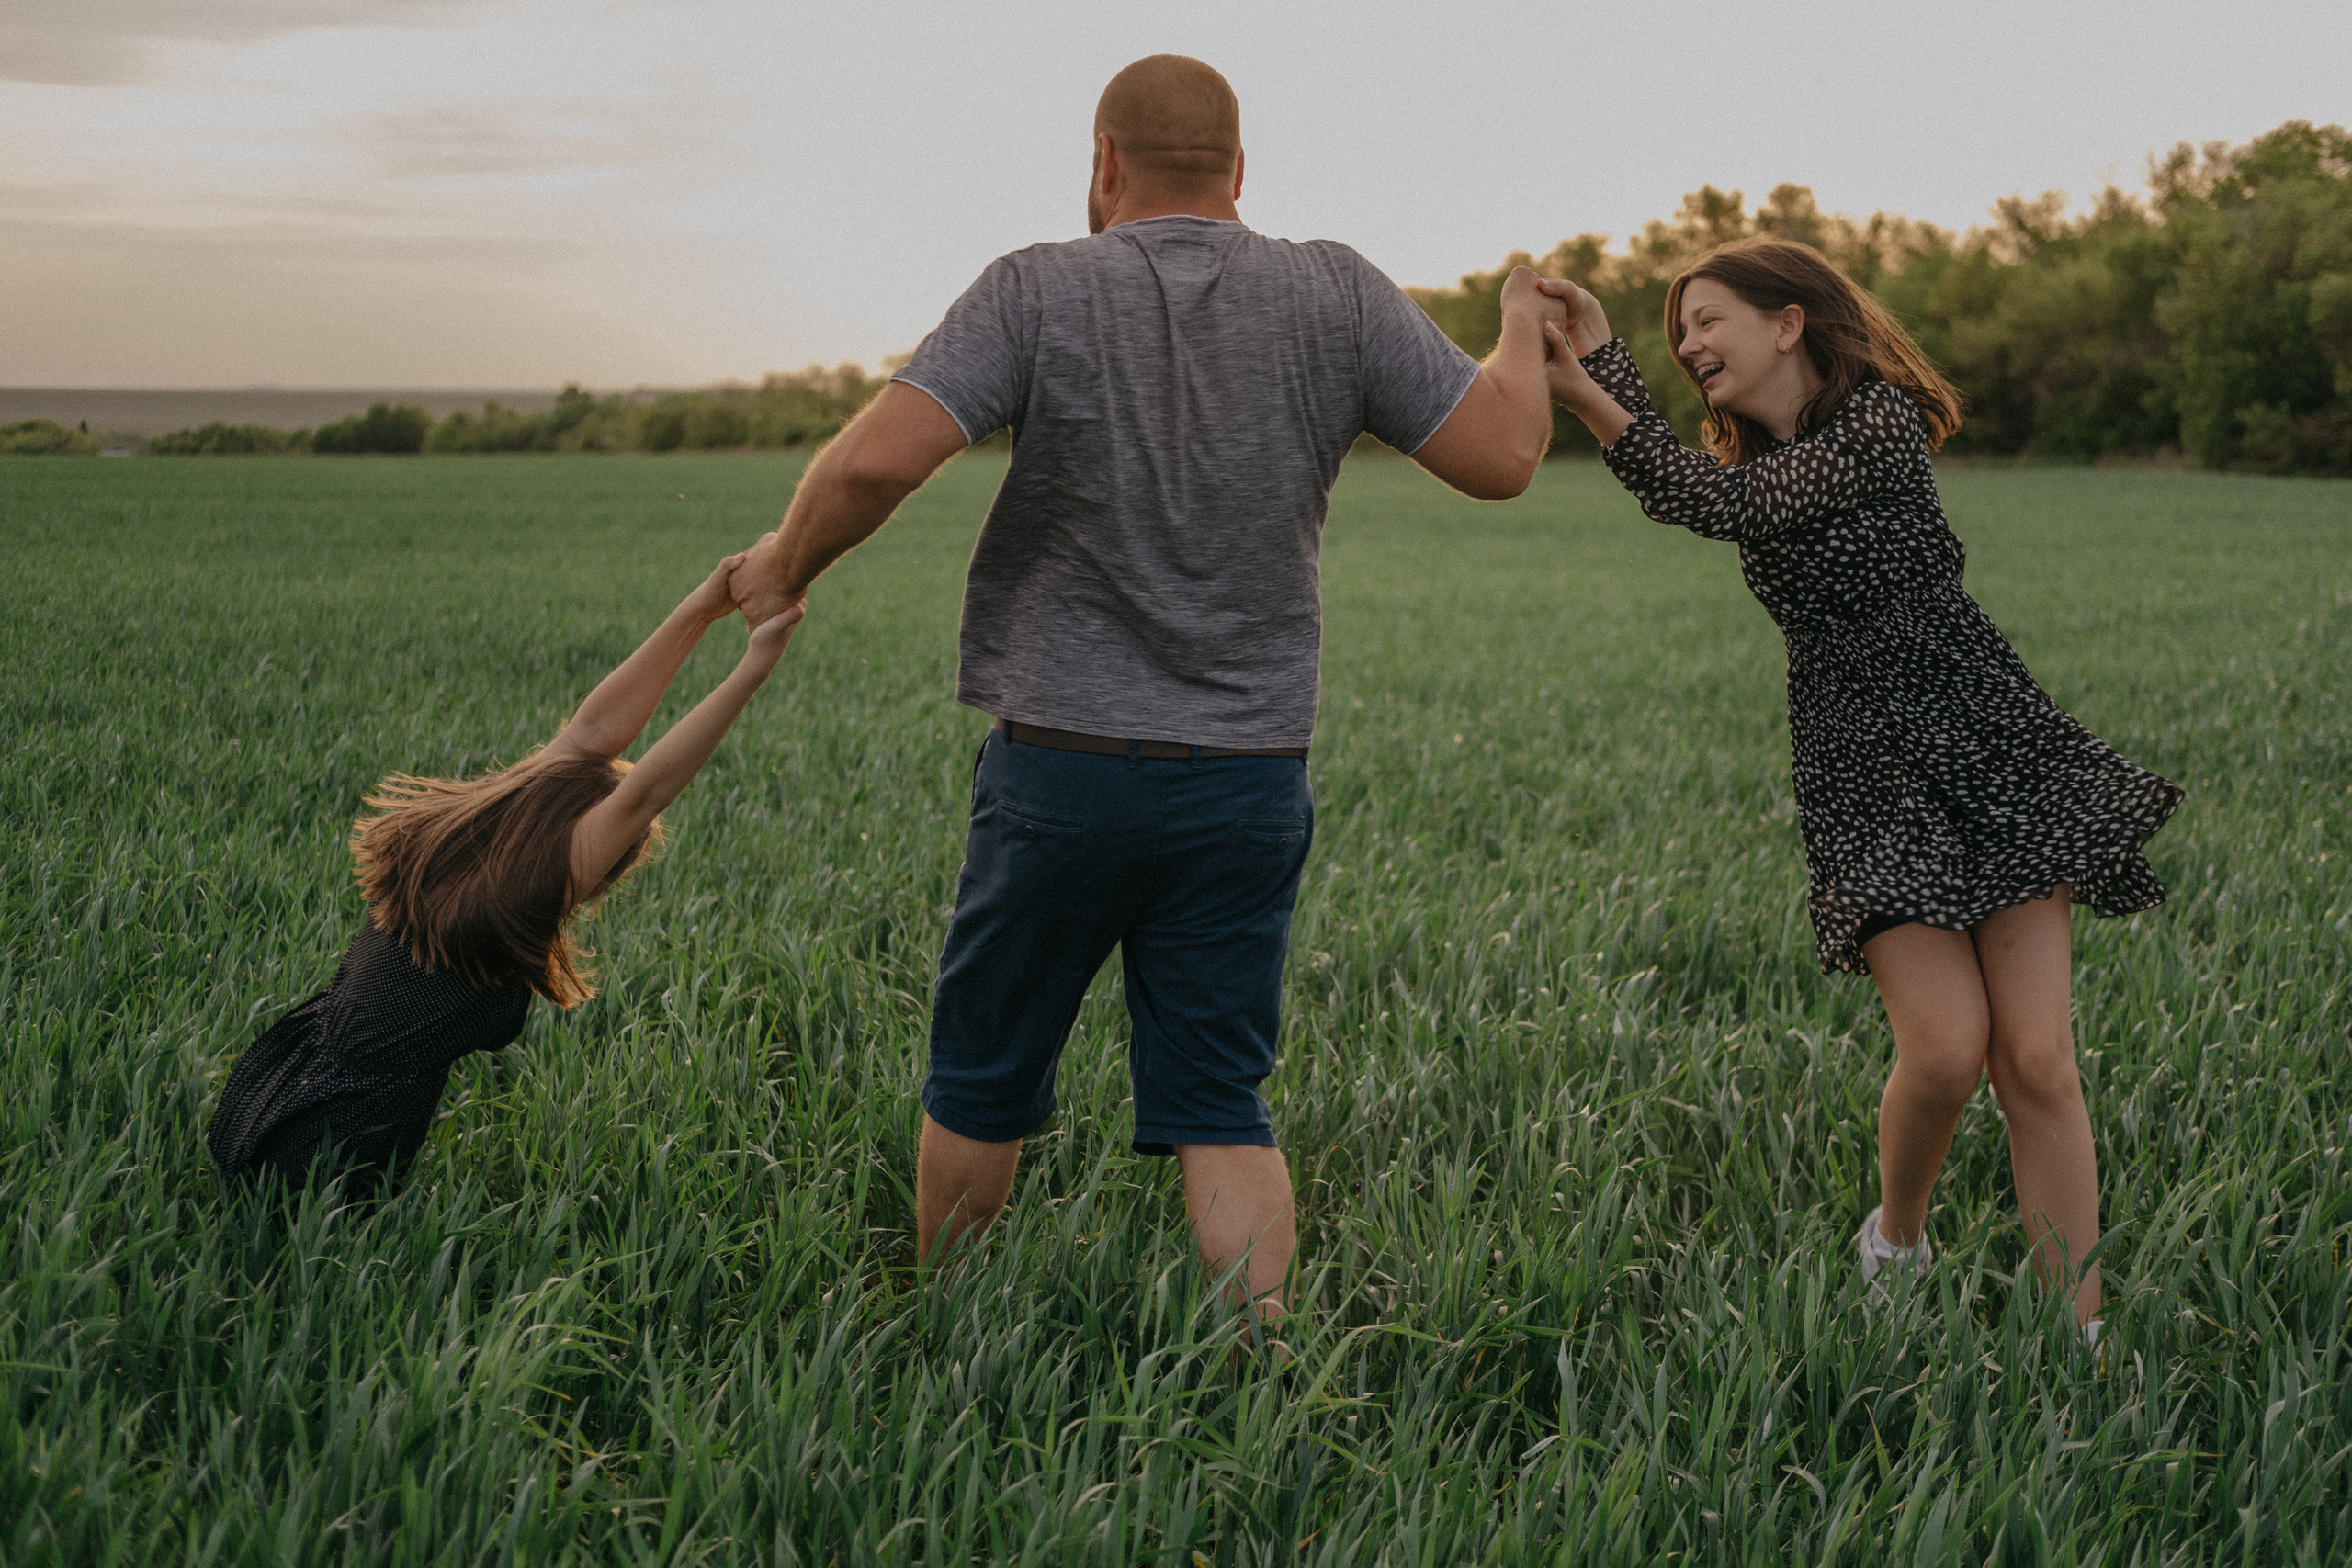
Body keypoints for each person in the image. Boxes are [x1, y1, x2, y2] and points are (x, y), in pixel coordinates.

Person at [728, 54, 1564, 1320]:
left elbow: (872, 466)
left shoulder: (1037, 285)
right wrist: (1516, 316)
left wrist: (785, 564)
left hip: (1059, 767)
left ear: (1102, 167)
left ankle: (945, 1335)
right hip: (1245, 777)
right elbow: (1505, 453)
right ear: (1239, 169)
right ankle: (1262, 1371)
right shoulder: (1336, 288)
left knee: (983, 1075)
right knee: (1222, 1096)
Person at [1537, 242, 2181, 1331]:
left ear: (1787, 322)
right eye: (1676, 330)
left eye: (1706, 320)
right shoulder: (1754, 464)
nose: (1688, 343)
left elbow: (1711, 503)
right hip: (1861, 769)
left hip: (1983, 738)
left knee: (2036, 1059)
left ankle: (2082, 1342)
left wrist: (1594, 384)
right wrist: (1594, 363)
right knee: (1940, 1051)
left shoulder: (1874, 423)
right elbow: (1701, 493)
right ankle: (1896, 1239)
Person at [207, 558, 803, 1190]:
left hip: (266, 1095)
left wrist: (700, 609)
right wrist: (752, 668)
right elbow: (643, 794)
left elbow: (588, 736)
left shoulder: (468, 851)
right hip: (322, 1151)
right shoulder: (515, 900)